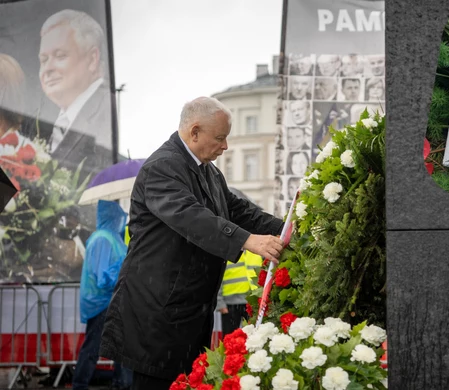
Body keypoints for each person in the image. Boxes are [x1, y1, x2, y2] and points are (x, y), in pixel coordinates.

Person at [100, 97, 284, 390]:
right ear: (194, 131)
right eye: (220, 138)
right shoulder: (162, 167)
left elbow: (238, 209)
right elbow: (191, 217)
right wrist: (248, 241)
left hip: (188, 311)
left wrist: (287, 228)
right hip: (156, 314)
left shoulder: (208, 170)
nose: (225, 147)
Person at [37, 9, 114, 178]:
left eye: (60, 56)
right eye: (43, 60)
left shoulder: (111, 112)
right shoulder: (41, 122)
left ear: (92, 59)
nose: (47, 69)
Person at [73, 200, 132, 390]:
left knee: (118, 347)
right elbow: (102, 277)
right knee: (93, 347)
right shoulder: (103, 239)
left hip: (111, 301)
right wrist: (121, 273)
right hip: (102, 303)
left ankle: (121, 383)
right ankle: (80, 385)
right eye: (117, 217)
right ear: (112, 217)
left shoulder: (110, 238)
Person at [216, 188, 263, 336]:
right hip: (230, 303)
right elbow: (218, 275)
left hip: (252, 300)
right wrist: (220, 302)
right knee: (230, 338)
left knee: (253, 337)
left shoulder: (255, 245)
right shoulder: (226, 245)